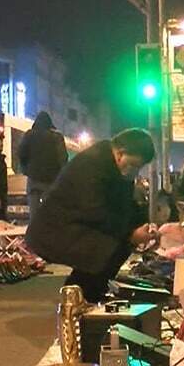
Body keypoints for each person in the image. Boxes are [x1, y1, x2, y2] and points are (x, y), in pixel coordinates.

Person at [26, 128, 157, 303]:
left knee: (117, 246)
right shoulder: (92, 164)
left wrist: (144, 225)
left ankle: (88, 296)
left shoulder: (117, 168)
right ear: (120, 153)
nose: (135, 171)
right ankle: (79, 299)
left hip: (77, 225)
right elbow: (94, 210)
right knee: (106, 249)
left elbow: (126, 205)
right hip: (54, 230)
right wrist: (130, 233)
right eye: (134, 165)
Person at [16, 110, 68, 216]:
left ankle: (35, 231)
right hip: (51, 181)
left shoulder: (29, 135)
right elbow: (63, 158)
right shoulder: (57, 137)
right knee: (50, 212)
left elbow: (21, 154)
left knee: (34, 213)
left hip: (33, 180)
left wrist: (26, 170)